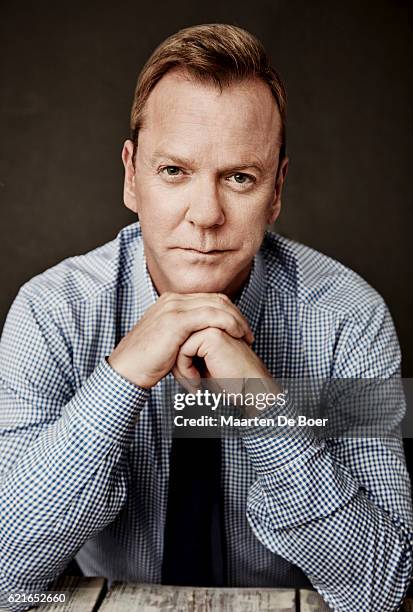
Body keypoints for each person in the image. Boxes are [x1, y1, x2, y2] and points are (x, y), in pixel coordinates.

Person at [0, 23, 412, 612]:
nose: (206, 214)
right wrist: (121, 378)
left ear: (276, 191)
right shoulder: (51, 312)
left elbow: (381, 590)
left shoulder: (350, 319)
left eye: (239, 178)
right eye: (175, 172)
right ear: (131, 174)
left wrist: (264, 405)